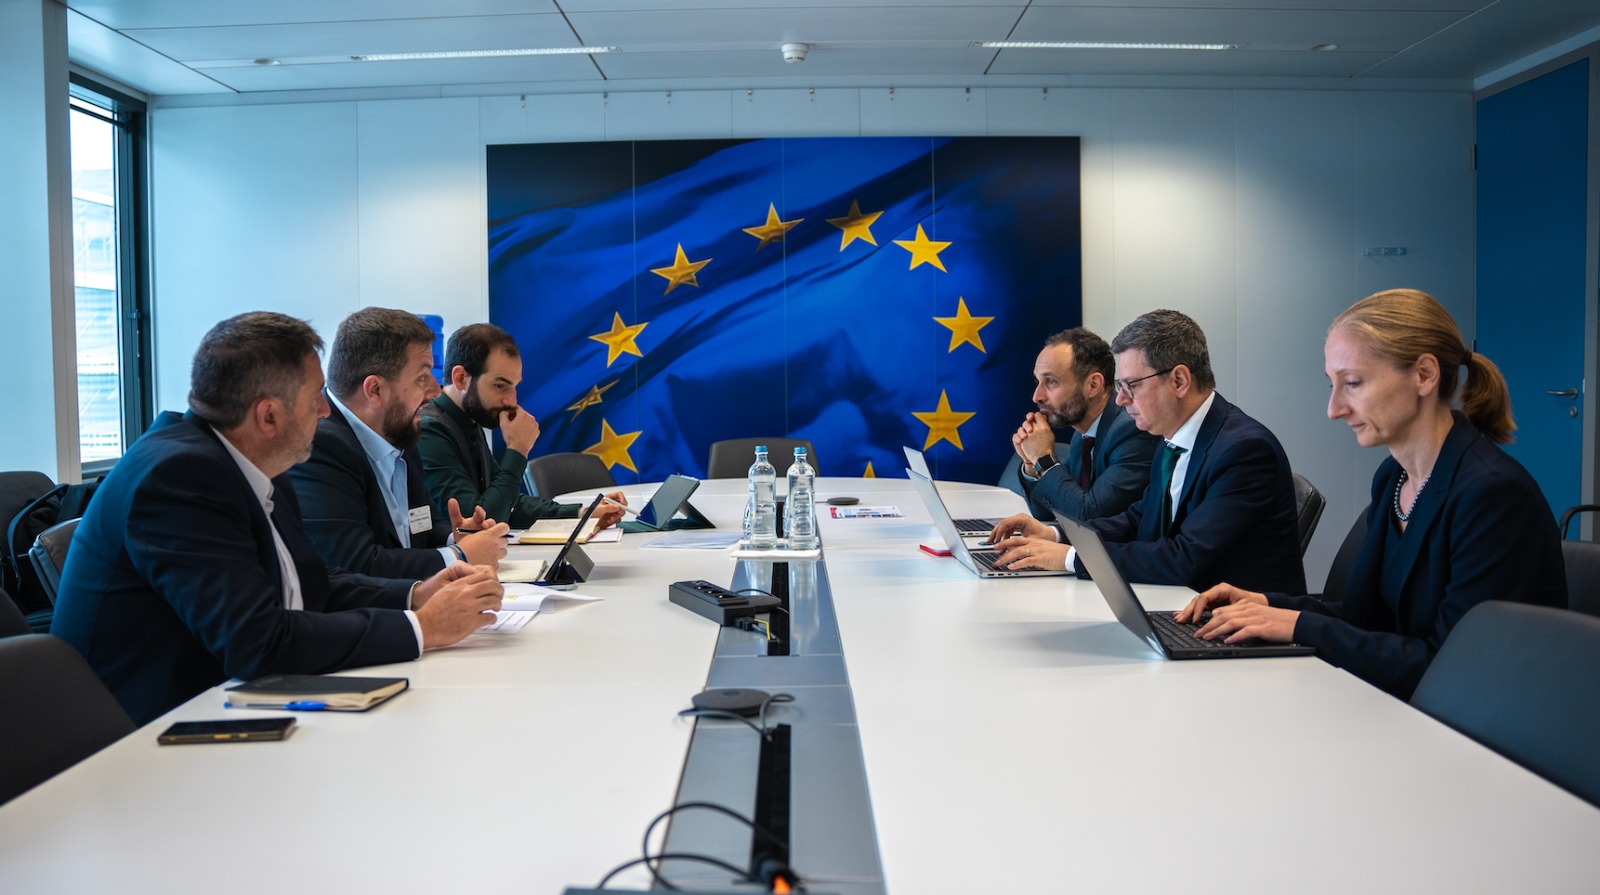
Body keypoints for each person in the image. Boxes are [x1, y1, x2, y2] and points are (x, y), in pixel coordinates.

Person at [51, 312, 503, 725]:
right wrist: (423, 627)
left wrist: (416, 594)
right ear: (268, 415)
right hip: (147, 735)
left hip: (227, 700)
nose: (325, 411)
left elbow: (310, 582)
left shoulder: (251, 461)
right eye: (315, 398)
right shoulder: (178, 478)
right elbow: (257, 642)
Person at [1174, 289, 1566, 698]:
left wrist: (1299, 625)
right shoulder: (1394, 477)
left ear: (1424, 375)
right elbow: (1367, 617)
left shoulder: (1493, 496)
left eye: (1353, 383)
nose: (1334, 409)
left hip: (1470, 726)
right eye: (1333, 385)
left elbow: (1452, 669)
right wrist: (1267, 605)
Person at [990, 309, 1306, 595]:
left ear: (1179, 380)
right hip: (1180, 604)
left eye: (1132, 386)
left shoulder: (1244, 451)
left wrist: (1071, 557)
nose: (1120, 400)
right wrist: (1056, 534)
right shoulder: (1173, 438)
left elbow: (1186, 558)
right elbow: (1136, 519)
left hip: (1237, 625)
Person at [287, 307, 510, 579]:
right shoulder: (320, 447)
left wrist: (458, 537)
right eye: (422, 377)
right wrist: (459, 556)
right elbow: (355, 565)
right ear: (375, 390)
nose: (435, 390)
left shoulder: (400, 432)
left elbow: (422, 525)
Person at [418, 323, 627, 530]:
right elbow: (478, 523)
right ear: (461, 378)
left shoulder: (470, 421)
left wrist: (584, 513)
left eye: (514, 386)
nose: (511, 400)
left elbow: (510, 504)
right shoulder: (430, 431)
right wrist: (518, 449)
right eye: (500, 385)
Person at [1009, 327, 1158, 521]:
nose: (1037, 396)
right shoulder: (1083, 434)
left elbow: (1089, 517)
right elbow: (1047, 512)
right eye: (1038, 382)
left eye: (1051, 381)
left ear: (1093, 385)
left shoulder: (1132, 430)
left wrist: (1043, 459)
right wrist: (1032, 464)